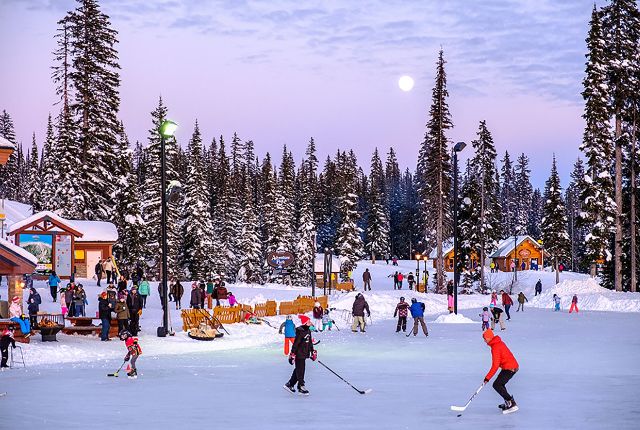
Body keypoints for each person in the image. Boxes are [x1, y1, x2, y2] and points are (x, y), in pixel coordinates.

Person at [482, 329, 519, 413]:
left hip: (510, 368)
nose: (484, 341)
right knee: (500, 384)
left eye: (485, 338)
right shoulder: (498, 343)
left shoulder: (495, 347)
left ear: (489, 338)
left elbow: (495, 365)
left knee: (497, 385)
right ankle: (508, 402)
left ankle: (511, 403)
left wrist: (487, 378)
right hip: (509, 366)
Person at [284, 315, 316, 395]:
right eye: (308, 322)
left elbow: (310, 343)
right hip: (299, 354)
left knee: (298, 369)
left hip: (304, 354)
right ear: (305, 323)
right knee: (300, 370)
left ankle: (290, 384)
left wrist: (312, 351)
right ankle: (301, 386)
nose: (310, 323)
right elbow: (295, 344)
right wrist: (292, 354)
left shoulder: (308, 331)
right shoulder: (300, 332)